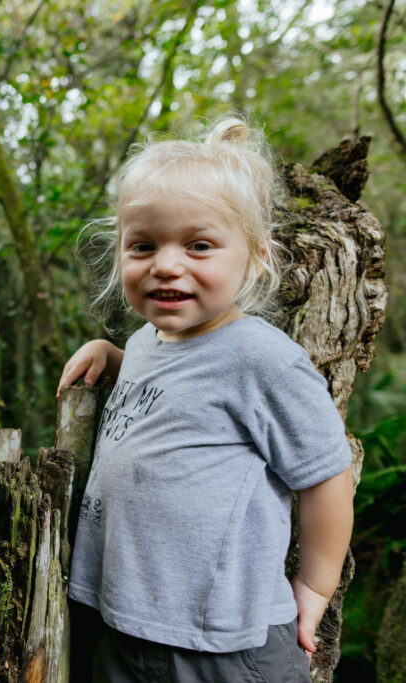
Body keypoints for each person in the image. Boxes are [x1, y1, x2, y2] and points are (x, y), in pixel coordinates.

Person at [56, 116, 354, 682]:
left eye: (199, 245)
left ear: (256, 256)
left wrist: (316, 585)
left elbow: (327, 474)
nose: (167, 264)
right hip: (122, 623)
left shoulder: (261, 359)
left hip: (220, 644)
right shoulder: (146, 343)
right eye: (143, 245)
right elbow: (174, 390)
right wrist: (110, 354)